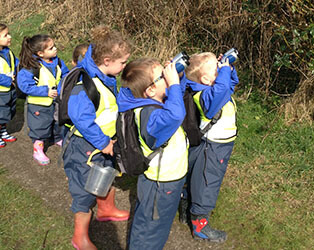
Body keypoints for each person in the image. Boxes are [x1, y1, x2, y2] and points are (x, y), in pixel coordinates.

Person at [62, 26, 131, 250]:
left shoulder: (105, 75)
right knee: (83, 190)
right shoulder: (86, 83)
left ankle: (106, 209)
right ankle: (79, 237)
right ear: (107, 59)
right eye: (122, 63)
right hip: (86, 146)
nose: (124, 67)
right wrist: (102, 142)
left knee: (108, 174)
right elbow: (81, 118)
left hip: (104, 143)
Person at [118, 58, 188, 250]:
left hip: (167, 179)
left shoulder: (154, 102)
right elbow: (175, 114)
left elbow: (175, 102)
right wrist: (173, 84)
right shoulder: (151, 115)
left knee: (156, 223)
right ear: (149, 91)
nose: (167, 76)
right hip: (161, 183)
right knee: (151, 229)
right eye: (162, 76)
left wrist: (176, 80)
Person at [182, 52, 239, 242]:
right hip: (214, 147)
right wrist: (223, 73)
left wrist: (228, 69)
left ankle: (185, 209)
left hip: (218, 145)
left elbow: (229, 85)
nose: (220, 70)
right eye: (217, 69)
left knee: (198, 177)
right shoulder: (205, 96)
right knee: (208, 182)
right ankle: (200, 225)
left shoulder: (215, 88)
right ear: (206, 79)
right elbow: (222, 88)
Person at [17, 34, 69, 165]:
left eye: (54, 46)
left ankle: (56, 138)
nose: (55, 49)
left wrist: (63, 86)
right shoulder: (31, 67)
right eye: (51, 48)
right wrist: (45, 91)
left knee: (57, 122)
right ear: (40, 53)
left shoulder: (58, 61)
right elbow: (25, 86)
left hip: (55, 101)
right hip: (39, 105)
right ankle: (38, 148)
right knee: (40, 127)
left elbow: (65, 74)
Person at [0, 23, 19, 148]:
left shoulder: (8, 52)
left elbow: (15, 62)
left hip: (10, 89)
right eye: (5, 35)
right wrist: (8, 80)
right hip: (1, 90)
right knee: (0, 113)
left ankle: (2, 131)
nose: (9, 37)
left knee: (8, 110)